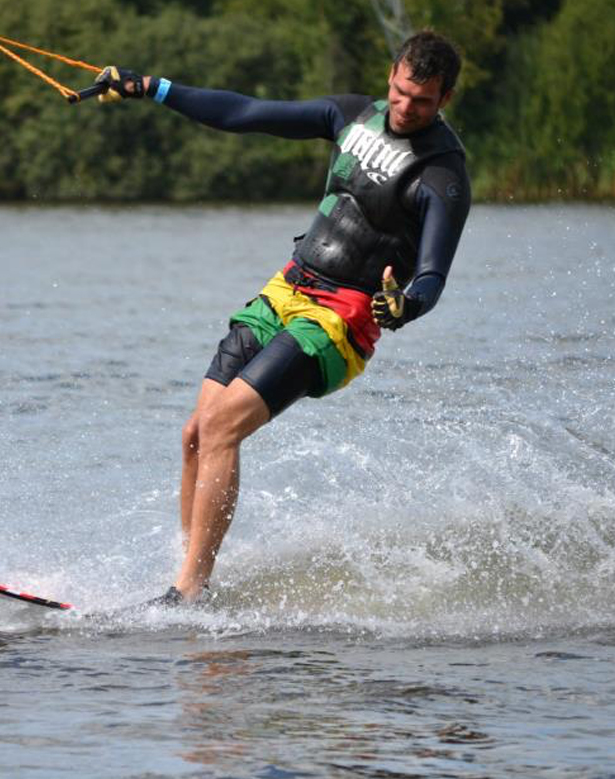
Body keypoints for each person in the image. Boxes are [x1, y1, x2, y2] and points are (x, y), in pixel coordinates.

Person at [96, 31, 471, 605]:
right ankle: (190, 576)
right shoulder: (350, 116)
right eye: (399, 92)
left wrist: (407, 304)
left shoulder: (443, 176)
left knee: (223, 427)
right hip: (288, 289)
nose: (404, 108)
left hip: (340, 320)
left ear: (444, 99)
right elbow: (245, 113)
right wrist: (154, 87)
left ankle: (188, 592)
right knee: (197, 433)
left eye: (421, 101)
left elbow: (432, 276)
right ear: (391, 76)